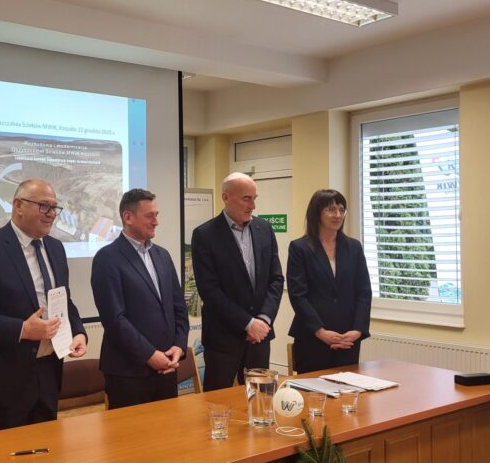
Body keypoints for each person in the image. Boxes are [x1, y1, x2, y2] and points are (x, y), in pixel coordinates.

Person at [0, 179, 87, 432]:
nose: (51, 214)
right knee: (6, 451)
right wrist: (23, 329)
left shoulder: (56, 248)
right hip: (3, 378)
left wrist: (78, 331)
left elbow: (63, 299)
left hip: (48, 371)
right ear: (18, 205)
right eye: (44, 206)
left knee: (48, 447)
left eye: (54, 208)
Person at [91, 189, 189, 409]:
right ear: (127, 217)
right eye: (149, 216)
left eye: (157, 215)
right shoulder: (107, 259)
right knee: (132, 432)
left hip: (167, 366)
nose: (156, 221)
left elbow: (178, 307)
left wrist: (179, 346)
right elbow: (114, 319)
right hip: (129, 373)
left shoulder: (162, 255)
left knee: (168, 429)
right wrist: (149, 355)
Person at [191, 172, 283, 391]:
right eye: (246, 199)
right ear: (226, 197)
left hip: (260, 337)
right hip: (223, 339)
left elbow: (276, 279)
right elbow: (209, 290)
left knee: (261, 400)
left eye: (254, 198)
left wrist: (263, 319)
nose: (253, 206)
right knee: (217, 403)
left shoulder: (264, 229)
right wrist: (248, 323)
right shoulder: (205, 235)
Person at [286, 189, 372, 373]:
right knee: (313, 388)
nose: (338, 215)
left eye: (341, 210)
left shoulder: (354, 247)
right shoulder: (300, 248)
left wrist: (358, 330)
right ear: (316, 213)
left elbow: (364, 292)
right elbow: (298, 295)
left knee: (348, 387)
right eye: (331, 210)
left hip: (347, 338)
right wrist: (320, 331)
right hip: (312, 336)